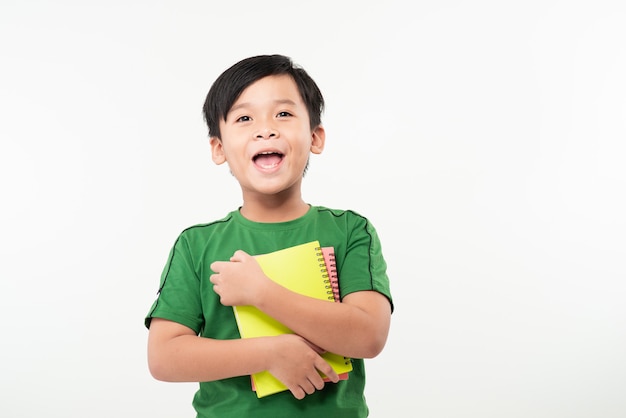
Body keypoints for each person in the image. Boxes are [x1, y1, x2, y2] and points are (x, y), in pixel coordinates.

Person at [145, 54, 393, 417]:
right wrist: (272, 352)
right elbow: (164, 357)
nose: (266, 130)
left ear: (315, 137)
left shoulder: (350, 231)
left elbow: (368, 336)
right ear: (219, 148)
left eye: (283, 114)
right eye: (244, 118)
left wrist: (262, 293)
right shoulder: (195, 244)